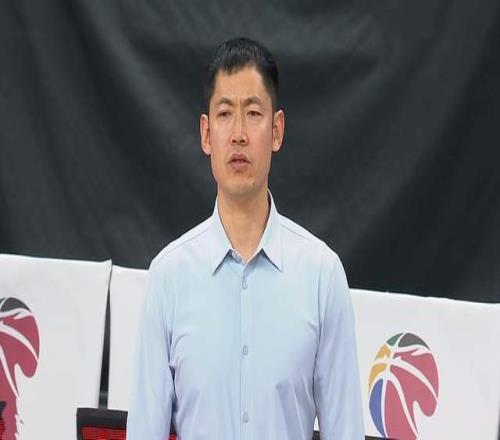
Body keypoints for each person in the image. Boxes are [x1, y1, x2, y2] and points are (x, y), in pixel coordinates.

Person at [126, 37, 364, 440]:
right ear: (206, 134)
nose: (238, 134)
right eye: (225, 114)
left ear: (276, 131)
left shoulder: (321, 276)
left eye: (253, 113)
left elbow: (345, 430)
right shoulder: (169, 277)